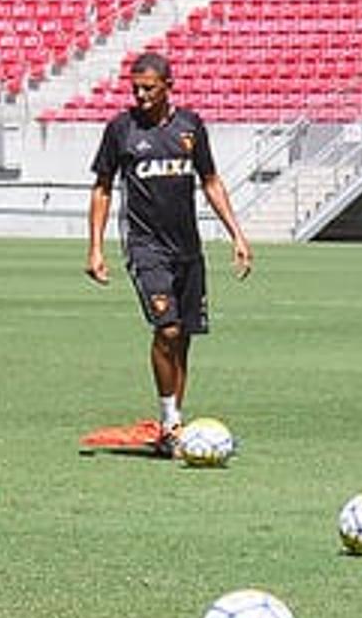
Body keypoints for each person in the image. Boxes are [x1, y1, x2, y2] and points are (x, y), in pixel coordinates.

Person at [86, 52, 252, 455]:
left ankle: (171, 424)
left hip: (188, 249)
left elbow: (210, 180)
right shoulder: (121, 129)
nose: (140, 95)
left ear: (168, 85)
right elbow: (103, 188)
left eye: (148, 88)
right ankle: (171, 422)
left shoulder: (190, 127)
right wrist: (95, 247)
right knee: (168, 330)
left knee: (184, 339)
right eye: (135, 88)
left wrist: (237, 234)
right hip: (146, 248)